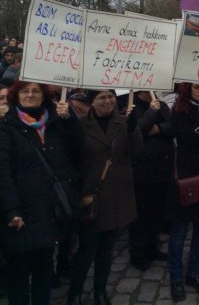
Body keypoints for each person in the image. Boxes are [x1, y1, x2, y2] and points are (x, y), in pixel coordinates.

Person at [0, 82, 82, 305]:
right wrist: (11, 209)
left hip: (48, 211)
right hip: (22, 214)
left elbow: (77, 151)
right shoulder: (7, 126)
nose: (30, 95)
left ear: (44, 96)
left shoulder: (55, 122)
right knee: (18, 273)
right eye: (25, 91)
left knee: (43, 271)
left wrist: (70, 119)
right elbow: (2, 170)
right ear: (16, 96)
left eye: (35, 91)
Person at [67, 90, 143, 305]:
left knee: (106, 251)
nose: (108, 101)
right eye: (102, 98)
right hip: (92, 198)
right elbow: (72, 158)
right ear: (91, 102)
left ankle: (100, 291)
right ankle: (75, 292)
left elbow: (137, 151)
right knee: (86, 250)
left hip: (117, 197)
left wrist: (134, 128)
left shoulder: (123, 122)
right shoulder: (80, 124)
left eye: (110, 97)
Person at [166, 83, 199, 302]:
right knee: (178, 234)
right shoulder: (179, 111)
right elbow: (187, 138)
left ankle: (195, 273)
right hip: (185, 180)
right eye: (197, 88)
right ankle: (176, 278)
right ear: (189, 90)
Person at [128, 91, 174, 272]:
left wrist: (158, 129)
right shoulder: (133, 106)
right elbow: (137, 130)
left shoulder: (161, 105)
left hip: (162, 169)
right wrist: (151, 114)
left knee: (156, 213)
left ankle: (152, 247)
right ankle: (138, 253)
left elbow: (172, 126)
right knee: (140, 215)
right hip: (141, 170)